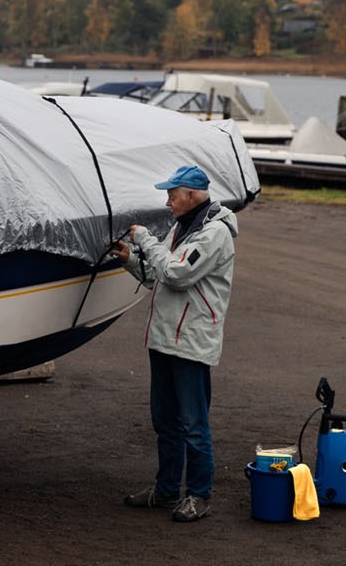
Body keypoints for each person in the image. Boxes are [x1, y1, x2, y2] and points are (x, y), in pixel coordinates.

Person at [109, 165, 237, 523]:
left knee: (194, 425)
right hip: (166, 340)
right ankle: (166, 491)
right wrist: (130, 259)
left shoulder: (214, 234)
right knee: (166, 422)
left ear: (191, 195)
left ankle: (199, 495)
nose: (168, 202)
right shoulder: (184, 227)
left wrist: (145, 240)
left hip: (190, 344)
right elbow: (159, 275)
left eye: (172, 195)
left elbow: (177, 274)